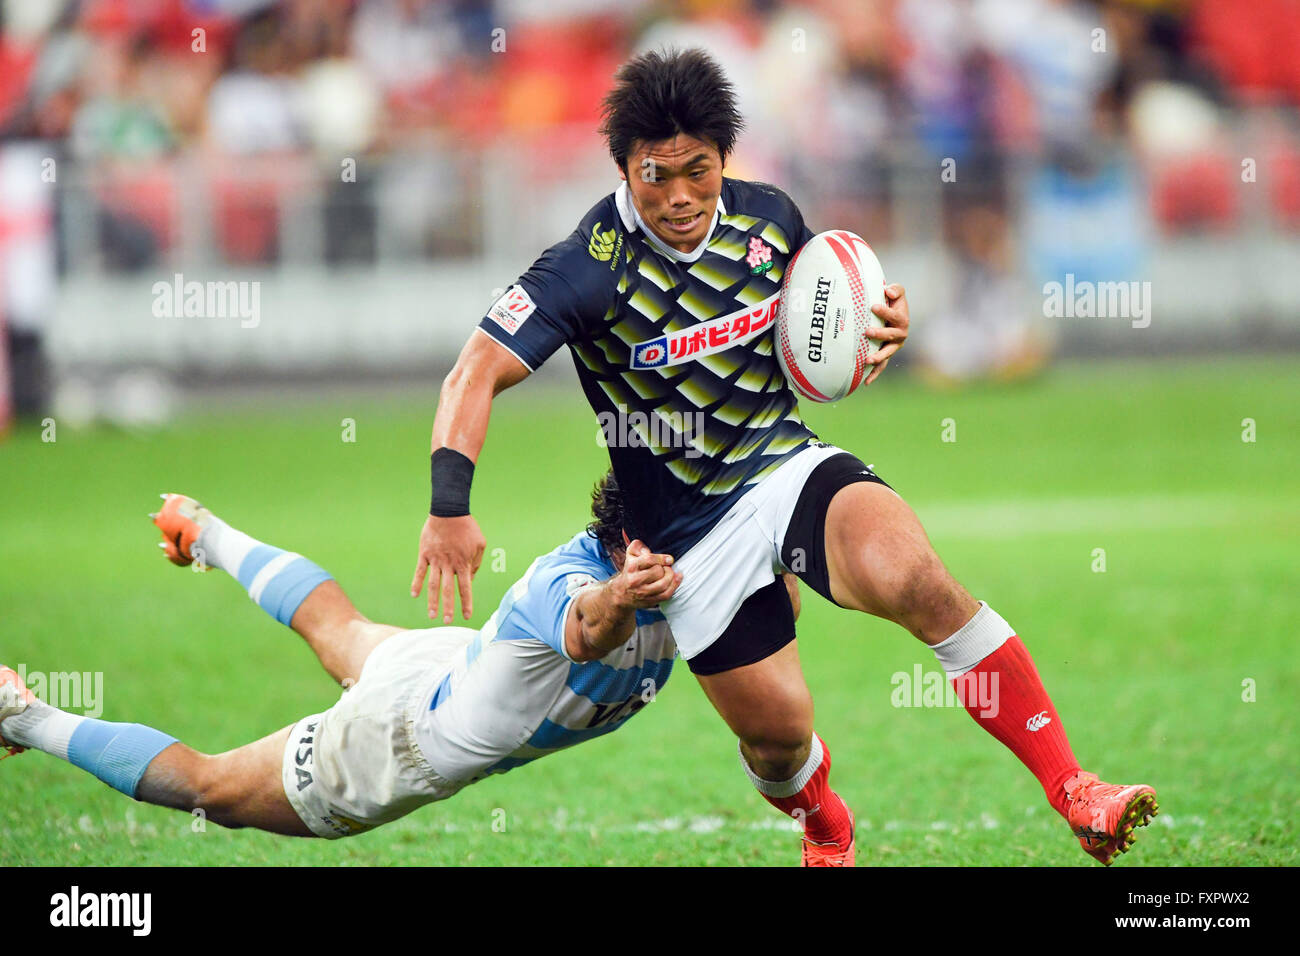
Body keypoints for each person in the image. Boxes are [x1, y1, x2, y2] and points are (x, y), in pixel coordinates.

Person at [410, 47, 1157, 866]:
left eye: (699, 170)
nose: (681, 196)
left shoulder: (769, 220)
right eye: (655, 176)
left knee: (919, 580)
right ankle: (821, 816)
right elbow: (474, 370)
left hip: (786, 468)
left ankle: (1075, 789)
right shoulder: (587, 267)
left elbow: (824, 332)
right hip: (688, 538)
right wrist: (451, 506)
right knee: (777, 742)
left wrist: (879, 330)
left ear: (725, 158)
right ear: (625, 168)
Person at [1, 478, 722, 841]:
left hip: (452, 667)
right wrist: (625, 595)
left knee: (340, 628)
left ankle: (203, 530)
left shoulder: (694, 572)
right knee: (211, 789)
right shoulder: (571, 583)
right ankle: (21, 717)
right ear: (632, 540)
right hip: (404, 741)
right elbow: (590, 628)